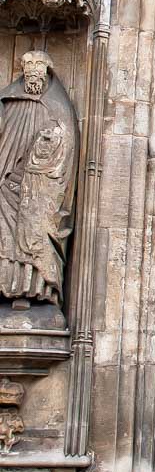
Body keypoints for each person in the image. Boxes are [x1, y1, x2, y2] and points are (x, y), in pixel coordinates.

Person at [0, 52, 78, 305]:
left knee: (35, 231)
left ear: (47, 71)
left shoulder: (57, 106)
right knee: (6, 238)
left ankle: (37, 290)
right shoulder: (9, 101)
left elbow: (64, 140)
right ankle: (7, 287)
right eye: (29, 67)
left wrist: (50, 141)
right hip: (8, 180)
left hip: (38, 183)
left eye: (38, 68)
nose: (33, 73)